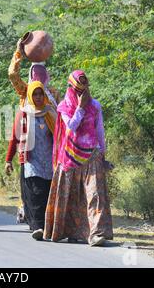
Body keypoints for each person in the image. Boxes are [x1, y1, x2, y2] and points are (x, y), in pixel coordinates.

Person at [44, 70, 113, 246]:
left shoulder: (95, 105)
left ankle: (97, 233)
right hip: (69, 157)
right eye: (77, 90)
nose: (81, 94)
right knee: (72, 197)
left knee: (94, 194)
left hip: (92, 155)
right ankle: (73, 231)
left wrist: (103, 156)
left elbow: (100, 131)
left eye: (83, 90)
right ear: (70, 87)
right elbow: (71, 128)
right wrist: (80, 108)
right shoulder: (63, 107)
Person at [7, 39, 61, 225]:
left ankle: (45, 220)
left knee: (46, 185)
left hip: (49, 146)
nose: (38, 78)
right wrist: (19, 53)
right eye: (35, 74)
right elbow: (13, 75)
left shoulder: (52, 95)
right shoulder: (25, 92)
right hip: (27, 144)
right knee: (29, 184)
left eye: (41, 74)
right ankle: (32, 217)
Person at [5, 81, 56, 241]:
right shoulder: (24, 113)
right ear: (30, 96)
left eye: (41, 94)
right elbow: (14, 138)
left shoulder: (51, 113)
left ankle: (48, 226)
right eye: (35, 94)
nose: (38, 97)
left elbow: (60, 136)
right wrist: (8, 160)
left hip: (49, 161)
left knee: (47, 194)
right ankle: (37, 226)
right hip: (31, 161)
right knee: (35, 194)